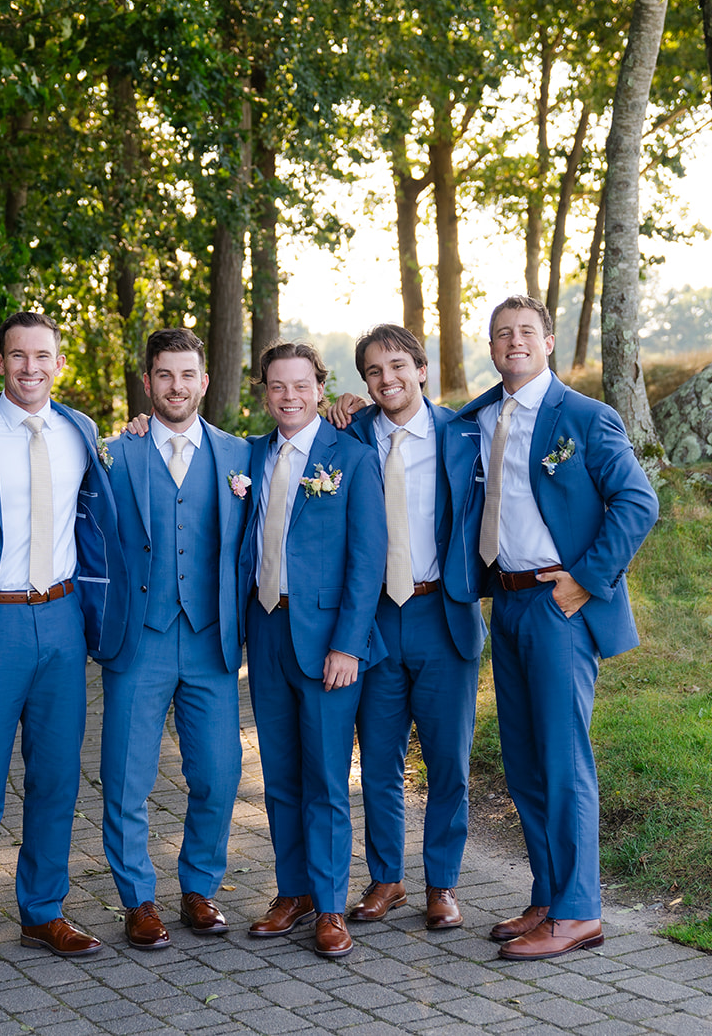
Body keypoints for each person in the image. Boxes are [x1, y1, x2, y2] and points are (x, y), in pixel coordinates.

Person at [0, 311, 127, 983]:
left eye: (42, 355)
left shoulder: (81, 430)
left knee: (56, 777)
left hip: (63, 619)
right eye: (18, 356)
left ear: (59, 361)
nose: (30, 367)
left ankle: (43, 909)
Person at [455, 294, 659, 960]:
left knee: (564, 759)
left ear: (547, 342)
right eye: (500, 334)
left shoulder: (586, 417)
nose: (511, 341)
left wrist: (586, 579)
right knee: (523, 761)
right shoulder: (480, 416)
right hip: (505, 602)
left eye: (524, 332)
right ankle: (546, 894)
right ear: (491, 348)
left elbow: (637, 501)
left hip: (558, 603)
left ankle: (579, 912)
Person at [325, 325, 485, 931]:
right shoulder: (350, 435)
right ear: (362, 383)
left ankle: (442, 883)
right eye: (372, 371)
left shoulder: (461, 434)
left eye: (397, 366)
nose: (386, 379)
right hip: (374, 621)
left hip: (441, 611)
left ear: (421, 368)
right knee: (381, 760)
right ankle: (386, 877)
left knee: (449, 761)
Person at [95, 328, 251, 949]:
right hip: (142, 638)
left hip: (211, 640)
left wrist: (347, 406)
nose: (176, 387)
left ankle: (199, 888)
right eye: (164, 375)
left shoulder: (242, 454)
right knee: (126, 777)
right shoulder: (114, 453)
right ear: (148, 381)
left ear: (205, 381)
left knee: (218, 773)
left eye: (187, 375)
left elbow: (311, 444)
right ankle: (138, 899)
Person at [240, 340, 386, 960]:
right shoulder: (246, 456)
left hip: (327, 640)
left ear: (320, 390)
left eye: (301, 385)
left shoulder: (349, 459)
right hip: (266, 630)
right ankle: (292, 890)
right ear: (264, 392)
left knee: (326, 777)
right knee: (279, 775)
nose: (289, 396)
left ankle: (329, 907)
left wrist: (349, 645)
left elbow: (367, 559)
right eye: (277, 386)